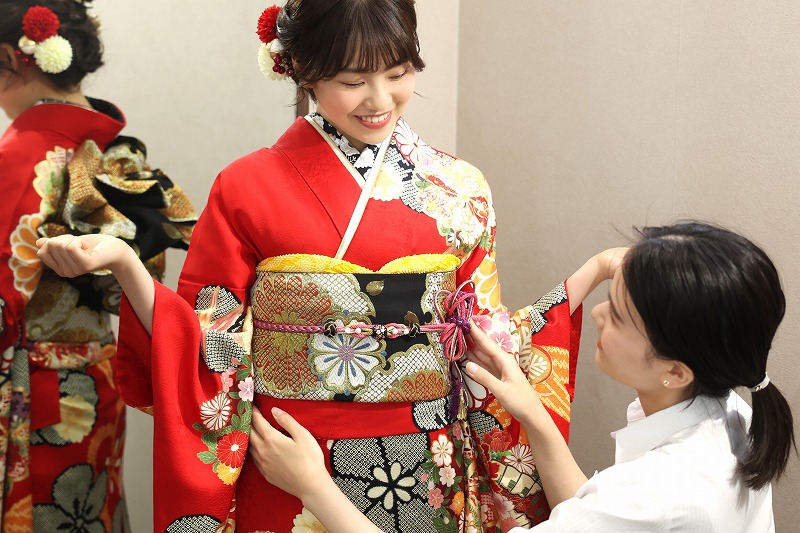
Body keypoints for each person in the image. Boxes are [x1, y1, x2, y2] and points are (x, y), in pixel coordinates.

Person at [37, 1, 585, 531]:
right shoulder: (246, 186)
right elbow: (205, 344)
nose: (379, 99)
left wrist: (585, 282)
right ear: (301, 68)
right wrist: (126, 264)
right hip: (291, 458)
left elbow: (487, 339)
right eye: (353, 80)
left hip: (429, 460)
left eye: (398, 73)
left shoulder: (461, 188)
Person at [248, 222, 796, 532]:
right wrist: (532, 412)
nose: (597, 314)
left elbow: (618, 511)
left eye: (619, 314)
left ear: (675, 370)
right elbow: (591, 510)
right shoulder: (733, 413)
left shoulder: (660, 492)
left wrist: (313, 486)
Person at [0, 1, 195, 531]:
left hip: (28, 391)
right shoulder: (116, 153)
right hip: (93, 383)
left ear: (10, 59)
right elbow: (131, 288)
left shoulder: (23, 156)